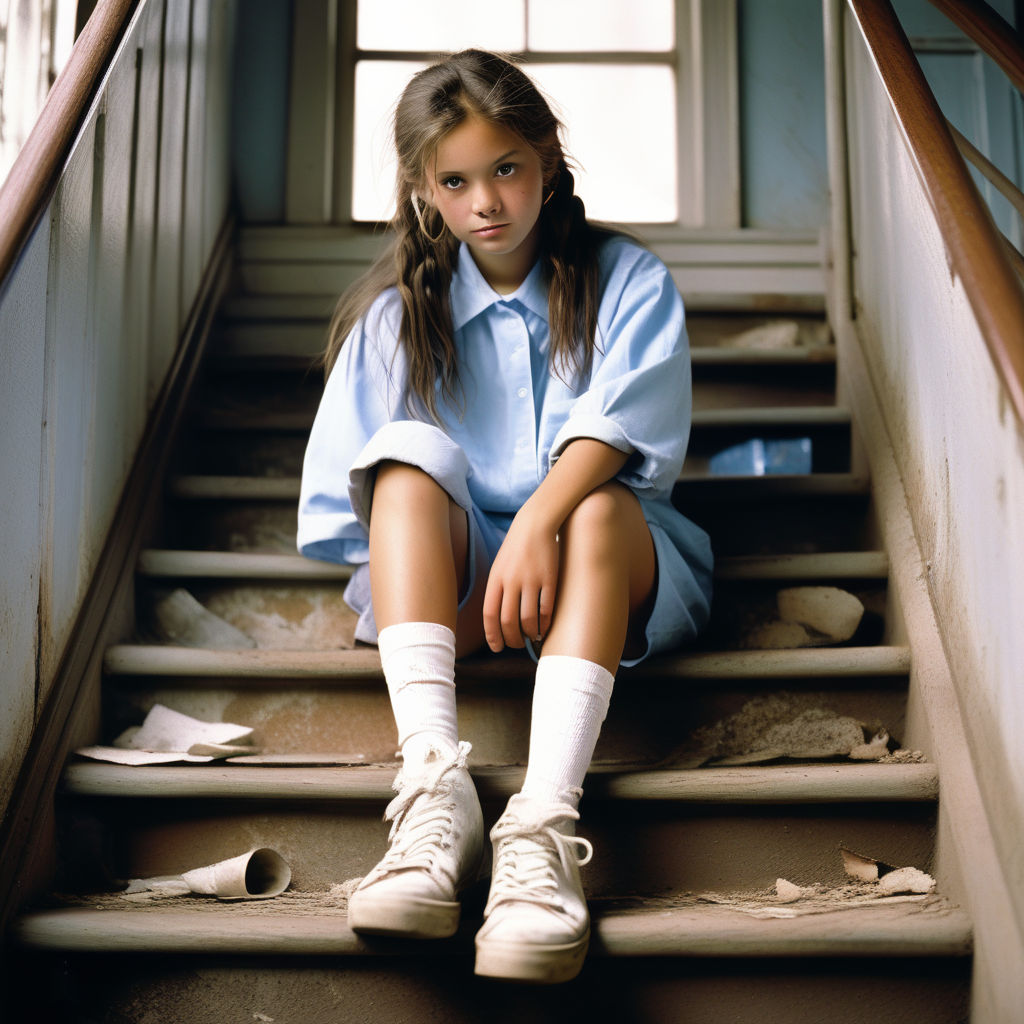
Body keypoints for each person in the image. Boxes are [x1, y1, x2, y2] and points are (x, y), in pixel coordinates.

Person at [297, 49, 712, 984]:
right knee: (406, 468)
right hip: (468, 588)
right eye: (456, 180)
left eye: (506, 169)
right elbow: (349, 511)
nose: (486, 199)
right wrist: (476, 564)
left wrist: (536, 524)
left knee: (596, 507)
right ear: (423, 194)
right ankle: (435, 793)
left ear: (548, 163)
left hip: (603, 567)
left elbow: (629, 430)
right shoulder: (398, 317)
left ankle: (543, 828)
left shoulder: (629, 279)